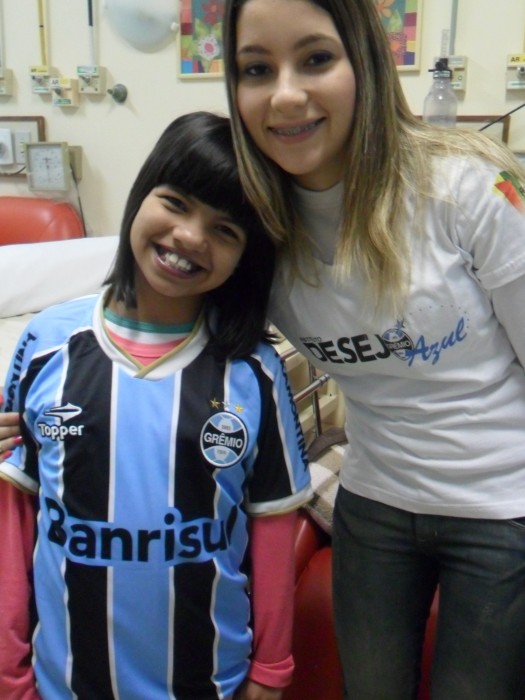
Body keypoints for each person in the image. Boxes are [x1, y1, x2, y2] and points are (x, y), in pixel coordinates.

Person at [220, 1, 525, 698]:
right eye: (256, 69)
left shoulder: (462, 187)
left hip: (501, 509)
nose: (286, 93)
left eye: (316, 58)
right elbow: (158, 320)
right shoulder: (255, 225)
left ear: (365, 62)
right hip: (374, 506)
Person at [0, 111, 312, 700]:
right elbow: (14, 520)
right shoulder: (44, 345)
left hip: (209, 682)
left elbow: (273, 525)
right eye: (175, 202)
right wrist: (10, 676)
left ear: (247, 255)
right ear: (140, 197)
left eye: (225, 230)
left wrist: (271, 672)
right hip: (65, 683)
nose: (191, 236)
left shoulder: (253, 370)